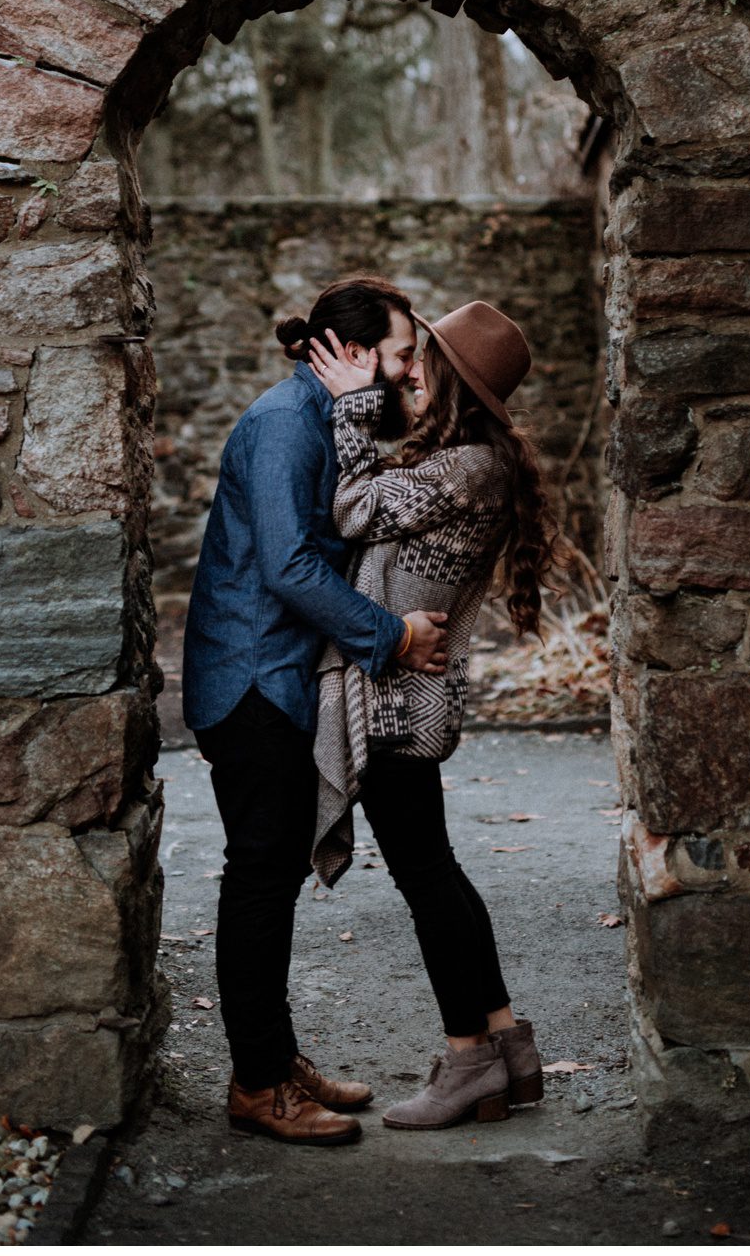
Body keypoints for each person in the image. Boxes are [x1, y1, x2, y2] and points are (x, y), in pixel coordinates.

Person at [182, 276, 453, 1147]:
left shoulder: (325, 418)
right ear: (357, 352)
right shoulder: (284, 425)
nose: (412, 372)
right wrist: (394, 637)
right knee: (261, 878)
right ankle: (258, 1085)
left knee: (273, 878)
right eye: (403, 355)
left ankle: (273, 1056)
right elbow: (290, 568)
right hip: (253, 683)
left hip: (282, 680)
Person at [307, 300, 566, 1130]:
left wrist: (351, 407)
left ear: (456, 382)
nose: (412, 368)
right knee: (437, 874)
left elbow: (354, 509)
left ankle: (467, 1063)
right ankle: (508, 1049)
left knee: (428, 882)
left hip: (398, 706)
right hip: (407, 698)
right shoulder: (466, 462)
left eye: (428, 360)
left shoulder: (469, 468)